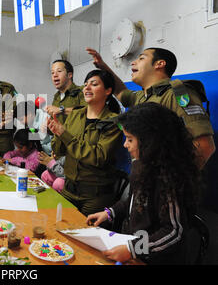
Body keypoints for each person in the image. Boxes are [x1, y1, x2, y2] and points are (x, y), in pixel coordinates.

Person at [86, 103, 200, 265]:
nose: (125, 145)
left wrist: (133, 249)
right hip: (136, 250)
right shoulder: (141, 165)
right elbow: (134, 202)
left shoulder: (167, 178)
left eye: (130, 139)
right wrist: (110, 212)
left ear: (150, 142)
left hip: (155, 259)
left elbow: (174, 232)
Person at [86, 47, 215, 169]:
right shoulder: (141, 97)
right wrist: (103, 67)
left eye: (141, 58)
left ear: (159, 64)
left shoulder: (176, 94)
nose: (133, 63)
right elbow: (120, 91)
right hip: (144, 178)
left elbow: (204, 146)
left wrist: (172, 183)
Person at [48, 70, 123, 216]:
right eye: (85, 84)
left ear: (108, 91)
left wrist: (65, 134)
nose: (87, 88)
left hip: (95, 196)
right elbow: (59, 152)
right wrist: (57, 134)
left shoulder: (113, 122)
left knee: (86, 236)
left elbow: (98, 157)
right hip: (69, 189)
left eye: (94, 84)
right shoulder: (76, 115)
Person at [46, 59, 86, 160]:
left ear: (69, 75)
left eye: (59, 71)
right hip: (59, 150)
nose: (55, 75)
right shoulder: (56, 97)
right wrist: (47, 126)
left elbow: (87, 112)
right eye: (52, 73)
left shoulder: (81, 92)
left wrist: (61, 110)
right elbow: (55, 126)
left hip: (76, 148)